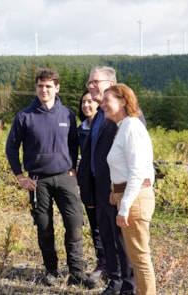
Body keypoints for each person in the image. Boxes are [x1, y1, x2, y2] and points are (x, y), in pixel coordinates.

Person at [5, 68, 98, 290]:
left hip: (65, 178)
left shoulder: (67, 114)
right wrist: (19, 176)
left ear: (57, 87)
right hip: (38, 181)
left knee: (74, 224)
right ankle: (51, 271)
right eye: (40, 86)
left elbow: (74, 142)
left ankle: (76, 272)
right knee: (44, 227)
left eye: (48, 86)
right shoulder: (24, 116)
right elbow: (11, 147)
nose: (44, 90)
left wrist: (74, 168)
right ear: (36, 88)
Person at [77, 66, 136, 295]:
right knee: (107, 240)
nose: (90, 86)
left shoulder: (126, 116)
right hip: (99, 189)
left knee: (122, 242)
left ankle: (129, 288)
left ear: (111, 83)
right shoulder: (99, 114)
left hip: (116, 190)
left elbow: (135, 156)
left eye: (95, 82)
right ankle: (115, 283)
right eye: (88, 83)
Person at [102, 84, 156, 295]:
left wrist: (124, 206)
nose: (102, 104)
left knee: (140, 258)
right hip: (127, 195)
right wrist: (115, 192)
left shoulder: (132, 127)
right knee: (137, 257)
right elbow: (125, 168)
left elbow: (138, 171)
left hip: (134, 200)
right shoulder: (123, 127)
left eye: (108, 100)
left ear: (123, 101)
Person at [77, 90, 107, 279]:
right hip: (88, 183)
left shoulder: (107, 125)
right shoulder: (80, 129)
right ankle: (102, 263)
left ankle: (117, 266)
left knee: (110, 225)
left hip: (105, 182)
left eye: (90, 101)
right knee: (95, 224)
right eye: (83, 102)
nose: (87, 105)